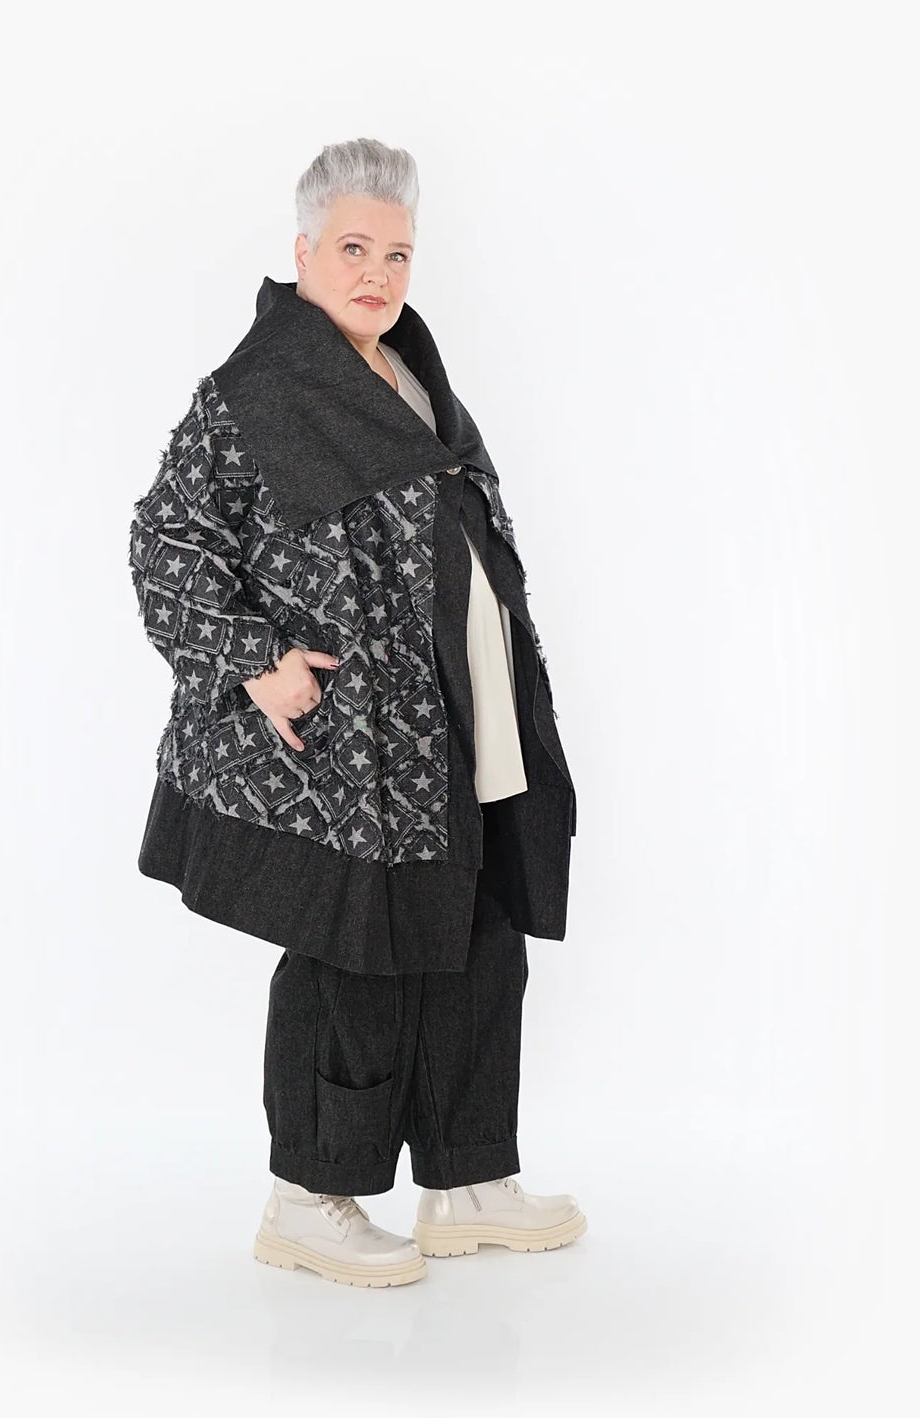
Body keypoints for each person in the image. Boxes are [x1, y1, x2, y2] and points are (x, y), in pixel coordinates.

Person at [129, 138, 584, 1288]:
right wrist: (255, 663)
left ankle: (467, 1178)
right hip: (354, 747)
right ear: (302, 252)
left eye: (396, 253)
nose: (376, 274)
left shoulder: (408, 373)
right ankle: (307, 1196)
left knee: (477, 935)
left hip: (459, 720)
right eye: (351, 249)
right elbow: (164, 540)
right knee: (349, 957)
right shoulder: (259, 390)